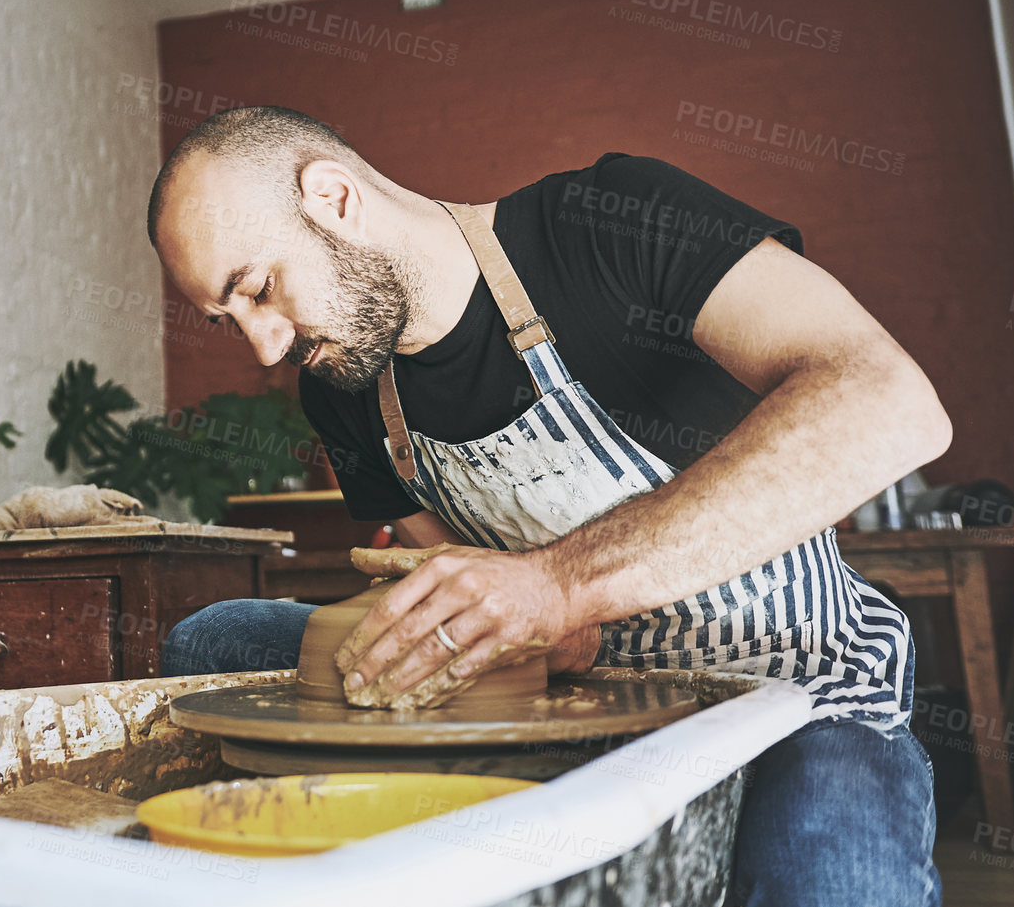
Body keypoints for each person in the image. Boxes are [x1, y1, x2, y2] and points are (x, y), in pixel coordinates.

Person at [146, 105, 946, 906]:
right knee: (216, 638)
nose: (264, 345)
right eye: (229, 321)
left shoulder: (606, 223)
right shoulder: (346, 390)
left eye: (257, 289)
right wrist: (501, 628)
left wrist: (558, 585)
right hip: (575, 708)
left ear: (335, 198)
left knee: (832, 880)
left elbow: (889, 402)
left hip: (797, 696)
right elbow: (469, 582)